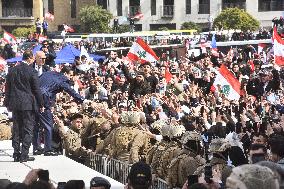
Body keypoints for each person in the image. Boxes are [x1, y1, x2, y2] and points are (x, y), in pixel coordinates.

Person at [33, 66, 84, 156]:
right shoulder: (61, 79)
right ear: (65, 73)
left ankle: (36, 148)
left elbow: (46, 87)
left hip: (34, 99)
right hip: (44, 101)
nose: (70, 77)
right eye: (70, 75)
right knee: (48, 126)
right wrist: (83, 99)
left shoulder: (47, 73)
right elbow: (70, 90)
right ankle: (48, 149)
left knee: (36, 125)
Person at [4, 50, 44, 162]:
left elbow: (8, 89)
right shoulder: (32, 71)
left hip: (15, 104)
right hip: (27, 104)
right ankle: (24, 154)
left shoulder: (12, 71)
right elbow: (36, 90)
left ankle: (16, 153)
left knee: (16, 129)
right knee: (28, 129)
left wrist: (7, 103)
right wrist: (41, 103)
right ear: (30, 58)